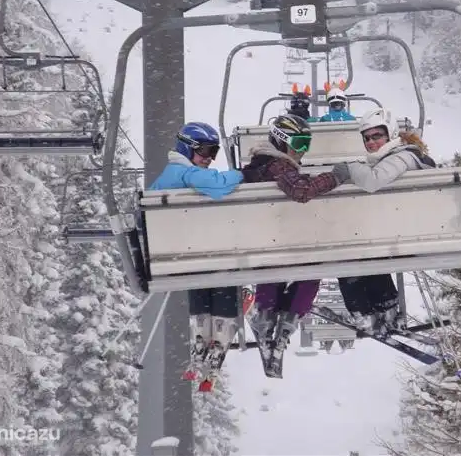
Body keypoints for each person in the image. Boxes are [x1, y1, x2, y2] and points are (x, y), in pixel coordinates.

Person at [241, 114, 349, 377]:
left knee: (280, 274)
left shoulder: (262, 164)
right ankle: (282, 323)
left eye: (306, 144)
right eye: (299, 143)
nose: (302, 151)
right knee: (308, 275)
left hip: (266, 239)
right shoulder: (277, 165)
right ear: (281, 141)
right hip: (278, 241)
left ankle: (270, 319)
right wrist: (335, 177)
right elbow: (301, 191)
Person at [148, 122, 245, 384]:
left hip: (176, 253)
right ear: (187, 148)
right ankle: (223, 320)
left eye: (214, 152)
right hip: (184, 252)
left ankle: (204, 327)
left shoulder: (174, 174)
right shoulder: (182, 172)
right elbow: (219, 185)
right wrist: (240, 174)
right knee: (225, 267)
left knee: (205, 268)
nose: (209, 159)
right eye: (204, 151)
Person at [328, 109, 436, 337]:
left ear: (391, 134)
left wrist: (349, 167)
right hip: (405, 224)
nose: (371, 142)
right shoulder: (398, 156)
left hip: (412, 228)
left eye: (377, 136)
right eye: (366, 138)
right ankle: (383, 307)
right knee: (364, 250)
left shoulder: (403, 156)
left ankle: (364, 313)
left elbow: (372, 181)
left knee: (349, 257)